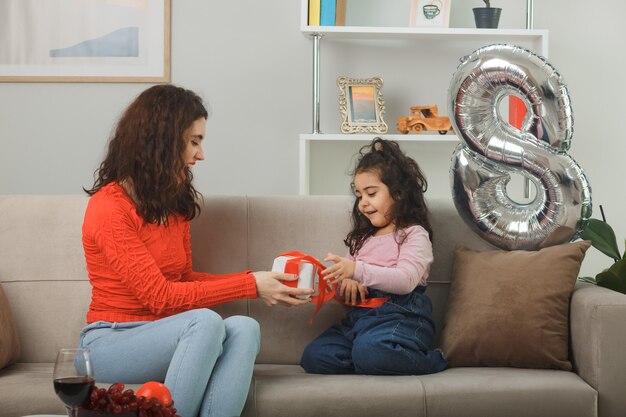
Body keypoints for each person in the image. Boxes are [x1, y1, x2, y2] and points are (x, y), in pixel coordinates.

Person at [79, 84, 312, 417]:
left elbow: (183, 278)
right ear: (161, 141)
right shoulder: (109, 208)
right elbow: (160, 297)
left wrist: (259, 281)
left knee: (246, 328)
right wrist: (250, 285)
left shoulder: (172, 204)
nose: (201, 154)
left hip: (169, 334)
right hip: (108, 341)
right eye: (194, 141)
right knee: (205, 323)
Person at [300, 138, 447, 375]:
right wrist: (345, 282)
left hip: (401, 316)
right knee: (314, 357)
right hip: (360, 320)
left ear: (398, 194)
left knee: (371, 351)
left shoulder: (413, 234)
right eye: (359, 195)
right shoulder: (362, 239)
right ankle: (368, 356)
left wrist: (356, 271)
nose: (363, 203)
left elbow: (405, 280)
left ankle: (431, 360)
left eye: (371, 193)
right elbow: (347, 279)